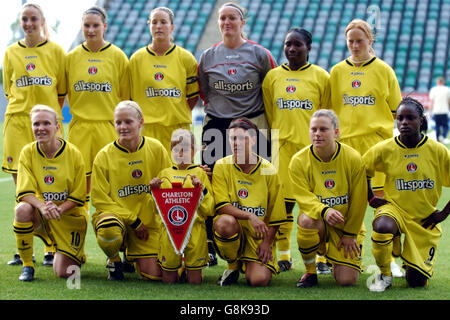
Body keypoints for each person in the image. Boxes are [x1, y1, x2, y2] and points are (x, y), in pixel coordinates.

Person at [198, 2, 277, 265]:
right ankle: (211, 243)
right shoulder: (208, 56)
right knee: (209, 182)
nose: (226, 22)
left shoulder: (260, 54)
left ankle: (269, 245)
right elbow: (205, 92)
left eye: (232, 17)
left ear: (243, 22)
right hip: (217, 125)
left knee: (265, 181)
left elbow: (271, 88)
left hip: (255, 123)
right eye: (222, 18)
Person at [329, 19, 403, 276]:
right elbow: (329, 113)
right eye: (351, 41)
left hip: (378, 148)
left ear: (370, 41)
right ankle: (353, 257)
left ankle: (392, 259)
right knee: (350, 205)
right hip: (347, 149)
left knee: (383, 205)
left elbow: (397, 111)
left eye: (360, 40)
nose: (355, 45)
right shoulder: (337, 71)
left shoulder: (384, 70)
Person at [3, 3, 67, 266]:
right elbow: (10, 90)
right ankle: (24, 246)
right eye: (24, 19)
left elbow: (60, 93)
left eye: (33, 19)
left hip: (47, 126)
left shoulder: (56, 51)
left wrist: (48, 122)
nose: (28, 23)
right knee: (24, 190)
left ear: (42, 21)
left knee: (50, 186)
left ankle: (51, 246)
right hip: (18, 124)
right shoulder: (10, 52)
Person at [363, 97, 450, 292]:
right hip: (395, 210)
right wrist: (370, 196)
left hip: (423, 220)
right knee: (382, 225)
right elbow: (362, 170)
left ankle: (413, 264)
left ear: (421, 120)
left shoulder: (438, 151)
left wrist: (443, 213)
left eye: (410, 118)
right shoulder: (385, 149)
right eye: (400, 118)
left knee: (416, 282)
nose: (404, 123)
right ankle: (385, 273)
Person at [262, 27, 330, 272]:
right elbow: (271, 115)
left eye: (297, 44)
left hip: (313, 153)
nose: (291, 49)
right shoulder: (272, 77)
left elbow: (326, 116)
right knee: (282, 206)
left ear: (309, 48)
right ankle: (283, 254)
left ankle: (322, 257)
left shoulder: (322, 77)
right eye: (287, 44)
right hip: (282, 150)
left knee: (316, 205)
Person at [91, 100, 171, 281]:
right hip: (120, 221)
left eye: (128, 121)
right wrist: (134, 221)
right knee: (108, 228)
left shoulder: (156, 148)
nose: (122, 127)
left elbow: (170, 180)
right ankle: (114, 260)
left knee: (157, 275)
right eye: (118, 122)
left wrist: (192, 173)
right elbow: (100, 200)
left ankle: (133, 256)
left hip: (149, 225)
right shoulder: (104, 156)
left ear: (141, 122)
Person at [288, 109, 367, 288]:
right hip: (318, 221)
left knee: (346, 281)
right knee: (306, 219)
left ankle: (337, 259)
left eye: (323, 129)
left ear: (336, 132)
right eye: (313, 129)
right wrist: (324, 210)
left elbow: (359, 201)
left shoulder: (353, 158)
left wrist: (350, 234)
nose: (317, 134)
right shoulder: (298, 161)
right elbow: (303, 198)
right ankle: (310, 271)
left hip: (345, 226)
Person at [13, 105, 88, 281]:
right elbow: (24, 192)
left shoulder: (74, 154)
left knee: (66, 272)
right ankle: (27, 266)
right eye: (36, 124)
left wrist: (59, 210)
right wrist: (42, 206)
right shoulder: (27, 152)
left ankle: (66, 249)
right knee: (22, 209)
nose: (40, 128)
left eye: (46, 123)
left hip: (68, 217)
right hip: (43, 214)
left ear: (57, 127)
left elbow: (79, 197)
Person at [66, 6, 130, 207]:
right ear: (82, 27)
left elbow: (125, 97)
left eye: (96, 25)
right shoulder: (71, 58)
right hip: (80, 127)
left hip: (108, 127)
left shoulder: (118, 56)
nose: (91, 30)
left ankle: (113, 225)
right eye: (87, 25)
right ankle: (78, 227)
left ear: (105, 26)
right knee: (79, 185)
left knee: (112, 182)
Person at [212, 118, 288, 287]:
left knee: (259, 280)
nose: (236, 143)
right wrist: (250, 216)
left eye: (242, 138)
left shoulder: (268, 169)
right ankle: (232, 266)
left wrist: (267, 242)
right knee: (224, 222)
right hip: (234, 230)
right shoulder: (221, 166)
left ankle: (248, 262)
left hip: (258, 237)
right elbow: (222, 206)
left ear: (253, 140)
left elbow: (277, 214)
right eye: (233, 138)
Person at [130, 7, 199, 154]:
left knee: (179, 176)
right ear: (149, 25)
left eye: (163, 22)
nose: (158, 26)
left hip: (178, 130)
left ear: (172, 27)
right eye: (154, 22)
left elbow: (193, 97)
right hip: (146, 129)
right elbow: (129, 98)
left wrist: (174, 112)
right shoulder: (136, 59)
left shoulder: (186, 58)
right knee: (149, 176)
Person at [150, 129, 214, 284]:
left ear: (195, 150)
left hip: (195, 230)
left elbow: (209, 209)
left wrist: (200, 190)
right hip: (170, 232)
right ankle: (179, 268)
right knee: (168, 280)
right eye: (175, 148)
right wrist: (153, 190)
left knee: (195, 282)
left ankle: (188, 268)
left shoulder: (200, 173)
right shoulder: (164, 173)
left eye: (185, 148)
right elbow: (155, 209)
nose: (180, 153)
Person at [429, 77, 450, 144]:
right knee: (445, 126)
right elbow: (449, 101)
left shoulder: (433, 89)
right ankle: (443, 137)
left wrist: (430, 111)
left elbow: (431, 102)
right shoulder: (447, 89)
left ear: (437, 82)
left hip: (436, 111)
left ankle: (438, 139)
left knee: (437, 125)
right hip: (444, 111)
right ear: (443, 82)